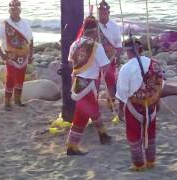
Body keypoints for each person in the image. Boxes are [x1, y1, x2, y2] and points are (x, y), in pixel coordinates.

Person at [66, 15, 112, 156]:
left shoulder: (75, 44)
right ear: (94, 31)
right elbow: (105, 66)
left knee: (93, 110)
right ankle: (72, 147)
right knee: (83, 116)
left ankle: (103, 134)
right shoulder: (96, 47)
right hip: (90, 85)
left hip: (78, 82)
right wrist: (111, 57)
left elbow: (70, 63)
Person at [116, 38, 163, 171]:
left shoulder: (126, 68)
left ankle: (139, 165)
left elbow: (122, 92)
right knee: (151, 132)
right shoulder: (154, 64)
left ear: (128, 52)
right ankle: (151, 161)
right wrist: (157, 101)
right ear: (141, 49)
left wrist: (120, 109)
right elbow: (158, 86)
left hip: (134, 107)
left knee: (134, 134)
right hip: (152, 104)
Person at [0, 0, 34, 111]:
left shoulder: (25, 23)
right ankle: (7, 102)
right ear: (9, 10)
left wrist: (31, 54)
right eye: (12, 9)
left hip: (23, 57)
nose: (15, 11)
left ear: (20, 10)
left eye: (17, 9)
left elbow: (30, 40)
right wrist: (1, 54)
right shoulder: (4, 24)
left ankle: (18, 100)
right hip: (10, 56)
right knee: (10, 78)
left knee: (20, 78)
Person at [97, 0, 122, 109]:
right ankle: (93, 100)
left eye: (104, 12)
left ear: (108, 13)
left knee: (110, 78)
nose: (102, 15)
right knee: (94, 79)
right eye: (100, 12)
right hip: (95, 56)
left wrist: (117, 57)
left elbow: (118, 44)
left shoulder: (114, 26)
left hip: (109, 56)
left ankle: (111, 103)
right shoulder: (93, 25)